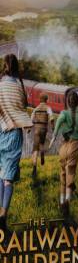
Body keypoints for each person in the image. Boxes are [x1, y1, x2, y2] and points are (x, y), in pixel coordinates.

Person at [0, 54, 32, 230]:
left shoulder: (0, 85)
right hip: (13, 134)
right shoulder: (19, 86)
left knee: (0, 172)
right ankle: (3, 214)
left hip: (0, 130)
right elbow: (24, 106)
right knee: (8, 178)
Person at [50, 91, 78, 214]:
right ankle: (67, 202)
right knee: (70, 175)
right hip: (73, 146)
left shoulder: (63, 114)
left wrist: (52, 141)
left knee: (62, 174)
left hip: (63, 147)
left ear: (67, 102)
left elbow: (56, 130)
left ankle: (61, 202)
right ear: (77, 102)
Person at [31, 93, 53, 177]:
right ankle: (42, 154)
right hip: (44, 129)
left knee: (35, 148)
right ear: (46, 100)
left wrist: (29, 129)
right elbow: (51, 117)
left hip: (36, 129)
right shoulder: (48, 108)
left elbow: (31, 119)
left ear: (40, 100)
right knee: (42, 144)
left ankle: (34, 167)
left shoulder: (36, 108)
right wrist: (53, 127)